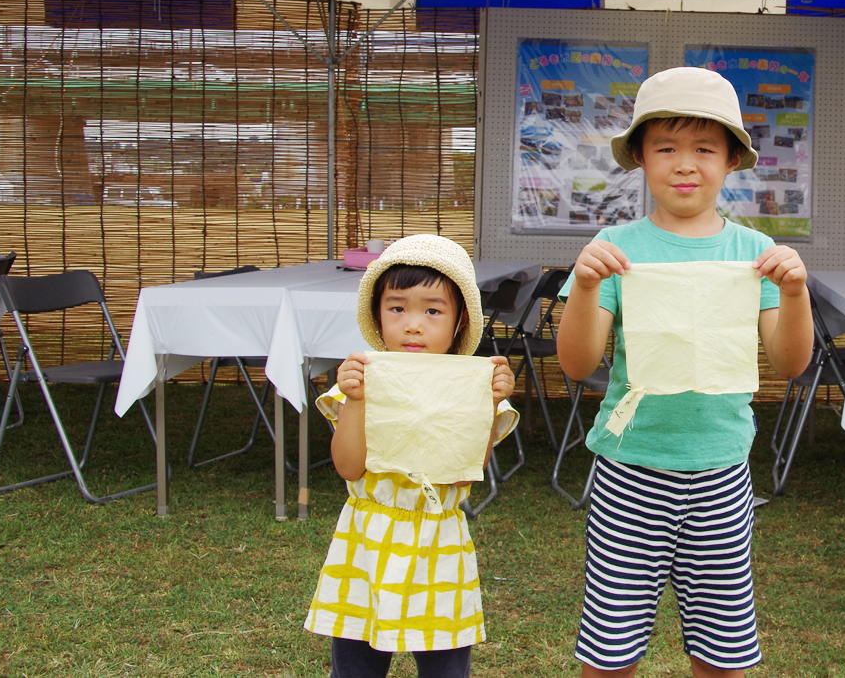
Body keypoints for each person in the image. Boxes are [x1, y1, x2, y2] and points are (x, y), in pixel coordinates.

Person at [555, 67, 815, 678]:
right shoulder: (615, 247)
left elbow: (790, 362)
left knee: (723, 653)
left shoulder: (754, 254)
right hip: (628, 468)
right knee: (610, 649)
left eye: (704, 148)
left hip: (721, 469)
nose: (684, 164)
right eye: (666, 148)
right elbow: (577, 363)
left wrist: (798, 293)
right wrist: (588, 284)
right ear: (642, 159)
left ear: (730, 161)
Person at [304, 234, 518, 678]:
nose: (413, 324)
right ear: (377, 315)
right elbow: (347, 466)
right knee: (357, 666)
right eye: (397, 307)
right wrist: (356, 400)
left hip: (440, 546)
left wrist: (486, 402)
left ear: (459, 323)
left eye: (432, 310)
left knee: (445, 667)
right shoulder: (361, 381)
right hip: (367, 540)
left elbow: (469, 468)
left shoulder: (470, 386)